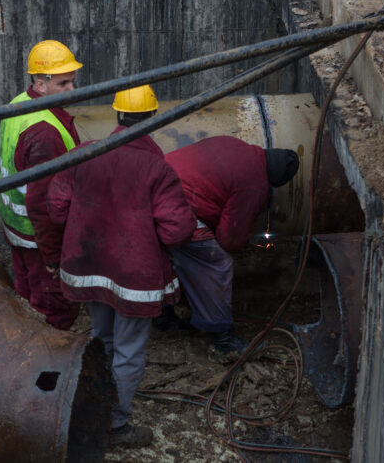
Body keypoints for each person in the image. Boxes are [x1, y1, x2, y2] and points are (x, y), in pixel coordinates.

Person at [47, 85, 195, 448]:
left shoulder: (83, 154)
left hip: (89, 267)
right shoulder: (156, 168)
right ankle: (114, 426)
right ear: (153, 117)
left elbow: (56, 208)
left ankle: (94, 408)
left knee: (103, 339)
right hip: (134, 277)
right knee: (129, 350)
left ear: (117, 116)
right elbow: (177, 230)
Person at [162, 136, 300, 363]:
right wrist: (245, 242)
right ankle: (223, 339)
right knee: (215, 261)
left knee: (167, 255)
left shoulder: (235, 144)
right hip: (175, 204)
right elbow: (229, 238)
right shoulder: (255, 183)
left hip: (153, 188)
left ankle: (162, 316)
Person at [0, 40, 83, 330]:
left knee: (26, 295)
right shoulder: (45, 133)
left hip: (16, 229)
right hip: (39, 237)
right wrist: (54, 258)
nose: (72, 90)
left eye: (72, 81)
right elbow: (42, 202)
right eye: (63, 83)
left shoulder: (19, 103)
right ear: (40, 83)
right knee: (55, 309)